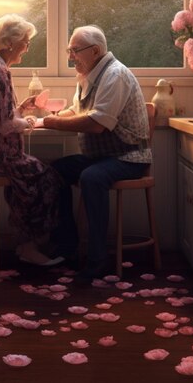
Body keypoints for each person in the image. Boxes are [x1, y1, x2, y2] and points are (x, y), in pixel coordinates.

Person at [43, 25, 152, 278]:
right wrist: (47, 119)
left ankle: (97, 259)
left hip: (129, 156)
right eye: (69, 51)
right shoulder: (88, 74)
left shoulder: (115, 75)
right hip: (102, 157)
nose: (70, 57)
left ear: (95, 51)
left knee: (92, 177)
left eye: (74, 51)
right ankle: (67, 247)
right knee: (53, 171)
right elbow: (77, 111)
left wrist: (52, 123)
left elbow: (96, 124)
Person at [0, 14, 63, 267]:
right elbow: (7, 126)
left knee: (37, 174)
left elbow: (0, 117)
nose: (27, 48)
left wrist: (20, 109)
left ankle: (26, 241)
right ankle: (30, 245)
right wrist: (28, 122)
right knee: (45, 176)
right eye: (26, 42)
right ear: (11, 43)